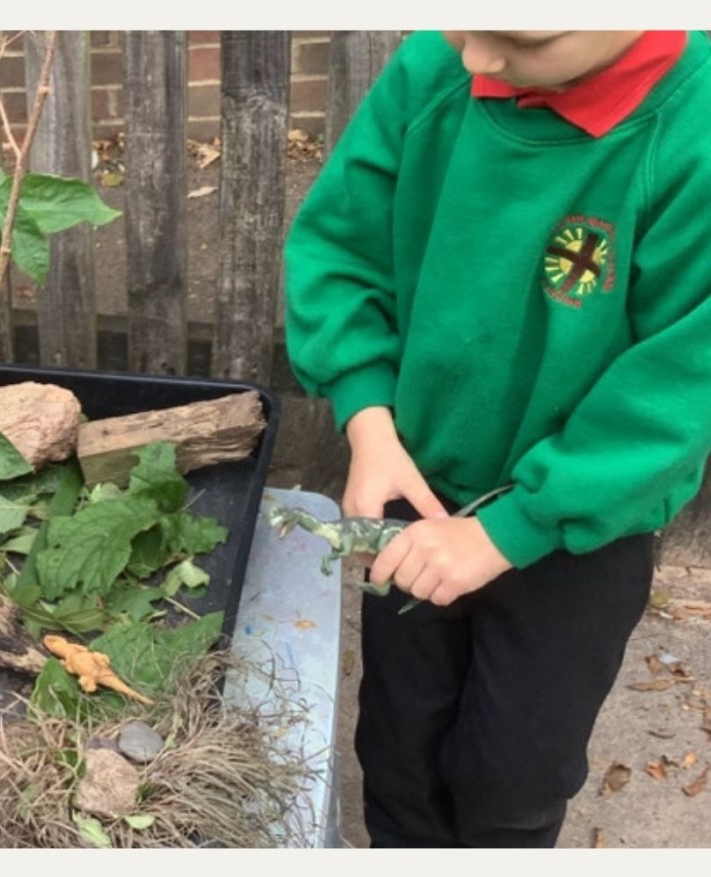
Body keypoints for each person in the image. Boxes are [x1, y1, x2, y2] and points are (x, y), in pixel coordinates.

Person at [283, 29, 711, 847]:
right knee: (397, 750)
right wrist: (368, 421)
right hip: (419, 487)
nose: (476, 58)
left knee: (513, 780)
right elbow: (342, 247)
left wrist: (513, 528)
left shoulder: (695, 136)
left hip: (578, 534)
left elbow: (680, 388)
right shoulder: (435, 67)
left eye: (522, 37)